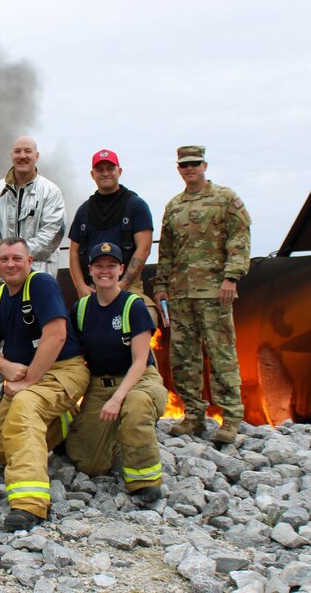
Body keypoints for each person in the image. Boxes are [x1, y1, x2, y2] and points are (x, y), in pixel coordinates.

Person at [0, 238, 89, 531]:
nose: (10, 264)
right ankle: (62, 422)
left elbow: (56, 335)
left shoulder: (41, 285)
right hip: (26, 376)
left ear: (29, 261)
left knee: (26, 406)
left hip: (63, 370)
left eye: (17, 258)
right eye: (4, 259)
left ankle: (29, 502)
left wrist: (28, 382)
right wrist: (6, 367)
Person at [153, 146, 251, 444]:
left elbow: (240, 237)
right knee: (183, 356)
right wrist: (160, 286)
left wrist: (231, 277)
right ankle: (193, 415)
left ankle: (231, 416)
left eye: (194, 164)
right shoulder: (174, 206)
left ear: (204, 165)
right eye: (184, 165)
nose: (190, 169)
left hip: (215, 292)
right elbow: (166, 251)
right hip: (181, 295)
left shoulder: (225, 198)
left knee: (221, 354)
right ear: (178, 168)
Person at [65, 243, 167, 504]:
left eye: (111, 265)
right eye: (99, 265)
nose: (105, 271)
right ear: (90, 270)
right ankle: (118, 439)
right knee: (88, 463)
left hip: (139, 380)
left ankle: (144, 482)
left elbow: (140, 362)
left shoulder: (134, 306)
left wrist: (117, 398)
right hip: (100, 384)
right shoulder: (81, 309)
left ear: (121, 269)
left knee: (136, 406)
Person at [0, 136, 66, 415]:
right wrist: (4, 259)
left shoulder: (50, 192)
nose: (22, 156)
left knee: (38, 343)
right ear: (11, 155)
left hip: (37, 280)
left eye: (28, 151)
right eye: (17, 151)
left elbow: (53, 232)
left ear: (37, 156)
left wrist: (20, 261)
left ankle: (36, 403)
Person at [68, 149, 157, 323]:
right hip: (92, 289)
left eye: (110, 168)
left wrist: (120, 287)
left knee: (147, 318)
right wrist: (80, 287)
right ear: (92, 174)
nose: (105, 173)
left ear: (119, 171)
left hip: (129, 288)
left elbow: (144, 248)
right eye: (100, 169)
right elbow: (73, 252)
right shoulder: (84, 210)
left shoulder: (136, 206)